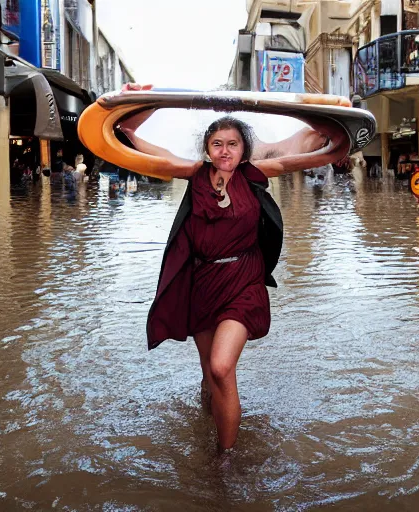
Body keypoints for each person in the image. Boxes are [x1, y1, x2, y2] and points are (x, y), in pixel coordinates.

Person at [118, 83, 349, 451]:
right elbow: (132, 144)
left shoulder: (256, 172)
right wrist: (140, 107)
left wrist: (313, 110)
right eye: (217, 144)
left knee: (222, 367)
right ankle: (207, 415)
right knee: (210, 375)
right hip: (203, 283)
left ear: (244, 149)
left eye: (233, 143)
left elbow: (315, 147)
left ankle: (223, 461)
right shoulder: (193, 174)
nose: (225, 150)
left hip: (244, 282)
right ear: (208, 149)